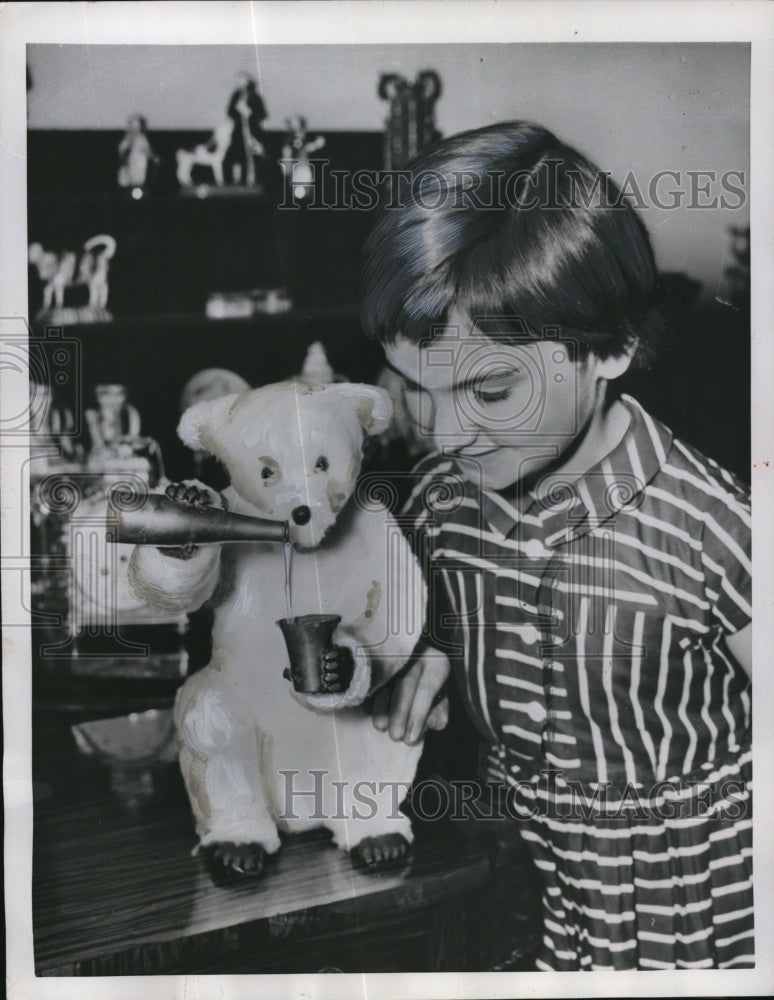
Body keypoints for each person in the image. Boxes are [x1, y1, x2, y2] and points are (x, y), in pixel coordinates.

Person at [361, 121, 752, 971]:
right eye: (418, 390)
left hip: (700, 913)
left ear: (609, 347)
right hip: (529, 890)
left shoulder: (711, 528)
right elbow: (440, 609)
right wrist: (433, 646)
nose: (448, 432)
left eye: (490, 388)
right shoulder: (439, 502)